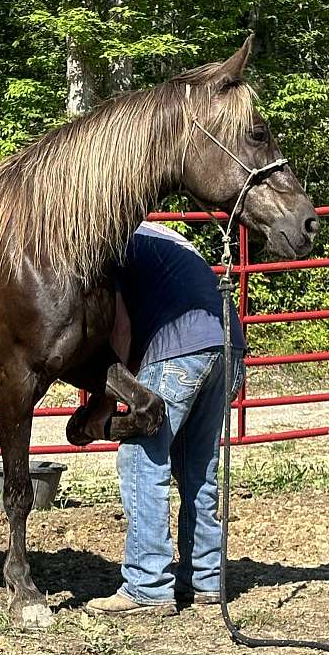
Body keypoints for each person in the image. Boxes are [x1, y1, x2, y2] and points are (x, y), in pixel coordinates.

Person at [86, 221, 246, 615]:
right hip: (229, 347)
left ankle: (147, 585)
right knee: (198, 468)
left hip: (180, 349)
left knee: (142, 458)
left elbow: (121, 332)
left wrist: (105, 407)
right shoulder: (166, 237)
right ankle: (206, 579)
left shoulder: (112, 240)